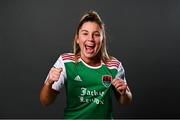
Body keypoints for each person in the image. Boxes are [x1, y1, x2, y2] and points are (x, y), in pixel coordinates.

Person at [40, 10, 132, 119]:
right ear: (77, 38)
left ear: (102, 40)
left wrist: (124, 92)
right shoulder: (65, 62)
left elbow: (125, 101)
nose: (90, 39)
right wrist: (49, 83)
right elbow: (45, 101)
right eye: (85, 33)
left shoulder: (114, 65)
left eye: (96, 34)